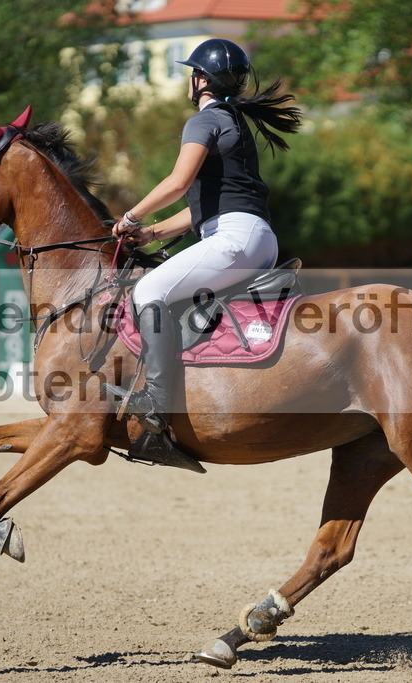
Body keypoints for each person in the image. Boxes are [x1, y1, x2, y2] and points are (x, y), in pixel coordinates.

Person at [102, 38, 302, 446]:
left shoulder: (203, 121)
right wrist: (154, 232)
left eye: (192, 73)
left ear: (201, 81)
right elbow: (204, 207)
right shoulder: (235, 122)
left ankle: (156, 402)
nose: (190, 80)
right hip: (256, 237)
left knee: (149, 289)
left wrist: (130, 216)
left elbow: (178, 184)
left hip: (233, 238)